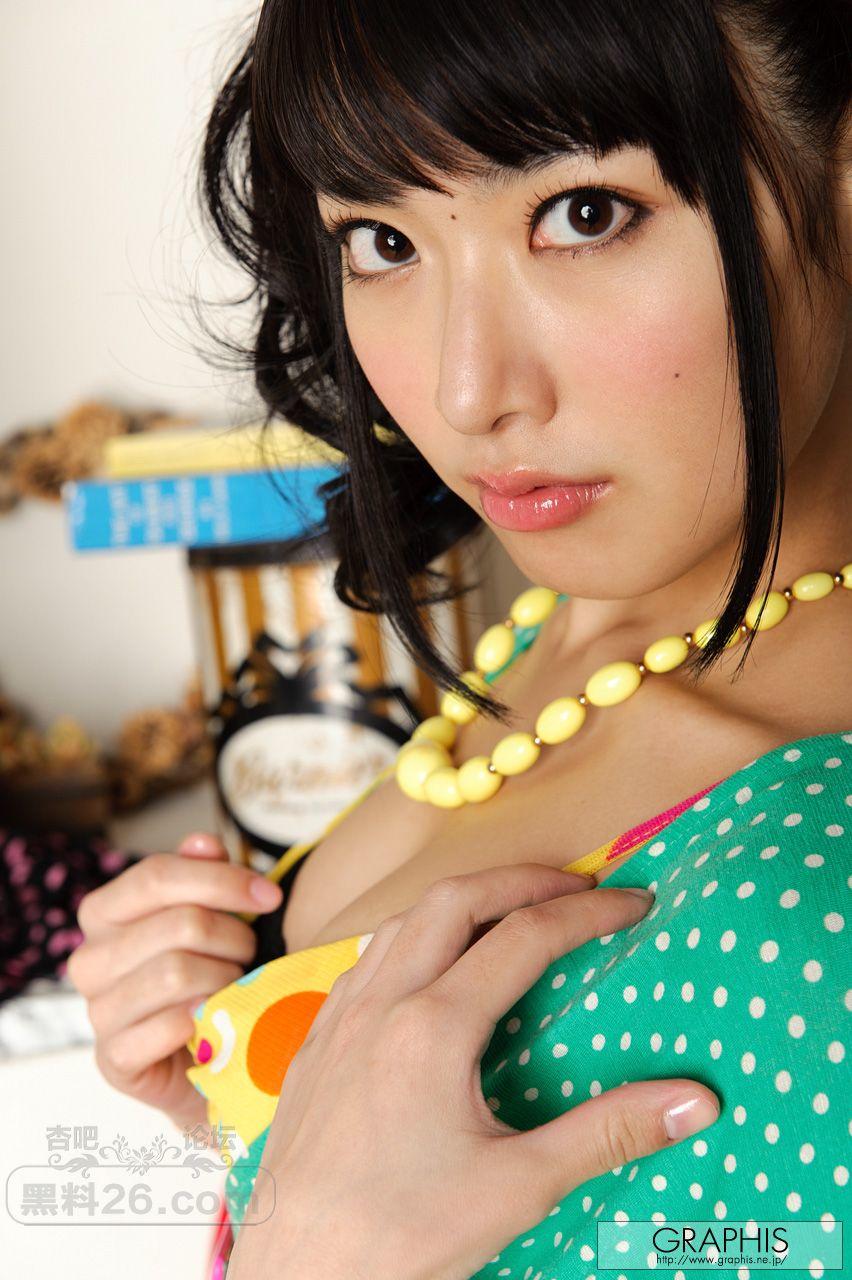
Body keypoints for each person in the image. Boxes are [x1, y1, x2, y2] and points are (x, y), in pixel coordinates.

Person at [69, 1, 851, 1276]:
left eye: (583, 214)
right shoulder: (565, 632)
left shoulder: (814, 892)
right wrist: (252, 1103)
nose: (466, 388)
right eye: (381, 241)